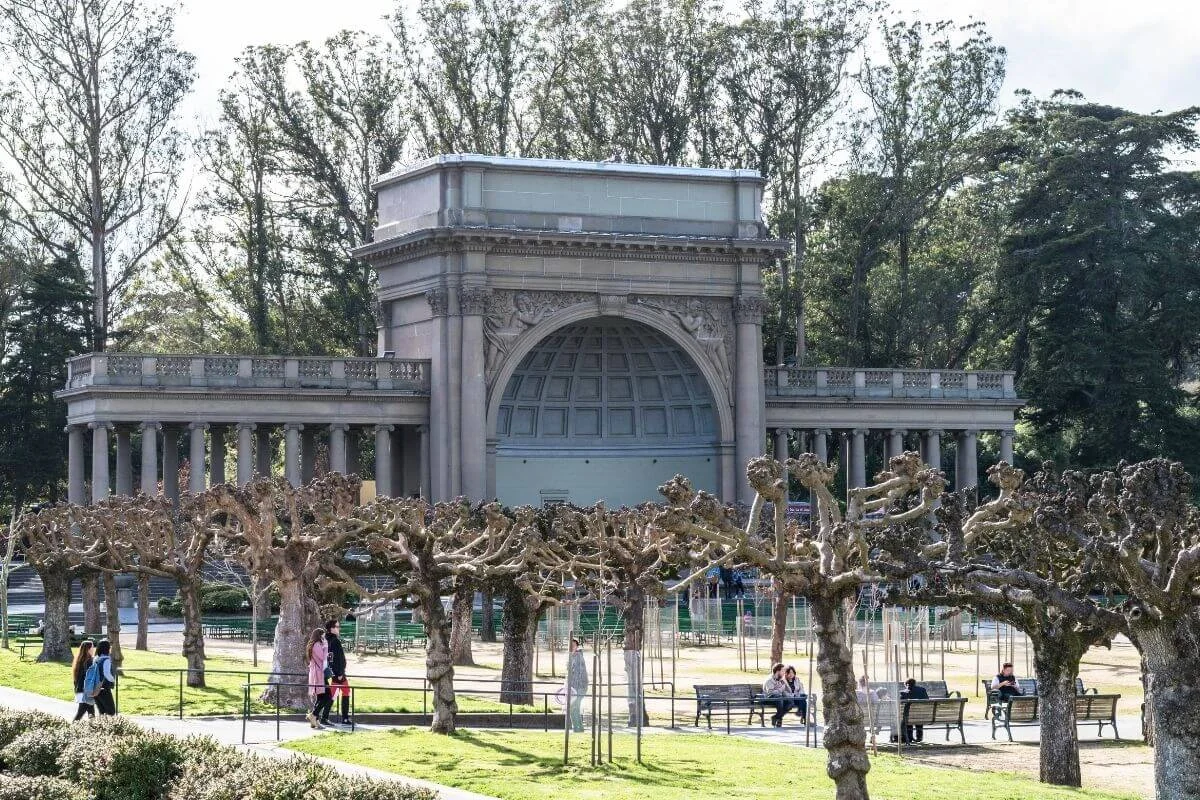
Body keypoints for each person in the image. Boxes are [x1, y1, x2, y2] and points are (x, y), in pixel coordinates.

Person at [325, 620, 351, 726]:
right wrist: (340, 673)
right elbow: (337, 658)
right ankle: (326, 717)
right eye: (337, 626)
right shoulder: (334, 641)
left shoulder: (328, 640)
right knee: (334, 694)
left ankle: (343, 717)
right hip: (338, 673)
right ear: (331, 628)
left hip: (334, 672)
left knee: (343, 692)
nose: (339, 628)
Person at [305, 628, 332, 729]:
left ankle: (315, 720)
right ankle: (313, 715)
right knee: (327, 696)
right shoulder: (316, 645)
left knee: (321, 697)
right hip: (318, 674)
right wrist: (326, 647)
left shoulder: (317, 644)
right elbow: (322, 657)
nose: (324, 638)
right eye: (323, 636)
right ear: (319, 636)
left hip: (320, 673)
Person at [565, 637, 588, 733]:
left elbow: (577, 673)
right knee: (574, 707)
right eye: (570, 645)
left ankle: (577, 728)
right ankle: (578, 728)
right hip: (574, 687)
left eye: (573, 645)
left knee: (573, 707)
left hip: (579, 687)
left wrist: (574, 687)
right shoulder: (571, 656)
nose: (571, 647)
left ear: (577, 646)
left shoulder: (578, 656)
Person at [71, 640, 96, 721]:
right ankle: (70, 729)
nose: (93, 649)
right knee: (81, 712)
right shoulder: (89, 661)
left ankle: (94, 729)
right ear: (88, 649)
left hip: (80, 689)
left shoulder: (79, 661)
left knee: (91, 712)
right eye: (92, 647)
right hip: (85, 690)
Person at [92, 639, 117, 716]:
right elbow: (107, 673)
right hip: (104, 687)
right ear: (107, 648)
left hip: (95, 687)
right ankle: (110, 727)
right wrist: (113, 680)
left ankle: (101, 726)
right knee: (111, 711)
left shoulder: (96, 659)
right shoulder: (106, 660)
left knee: (102, 711)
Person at [901, 678, 929, 743]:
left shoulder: (902, 693)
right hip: (921, 715)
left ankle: (909, 737)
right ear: (915, 683)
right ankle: (919, 737)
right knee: (919, 715)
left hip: (908, 717)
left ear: (906, 685)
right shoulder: (922, 690)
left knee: (907, 716)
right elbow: (927, 701)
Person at [762, 663, 788, 727]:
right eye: (783, 671)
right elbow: (771, 692)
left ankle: (776, 717)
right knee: (779, 698)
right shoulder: (769, 680)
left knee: (790, 702)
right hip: (768, 698)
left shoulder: (780, 680)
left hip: (778, 698)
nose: (784, 673)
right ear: (777, 671)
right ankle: (779, 720)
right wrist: (780, 689)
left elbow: (785, 691)